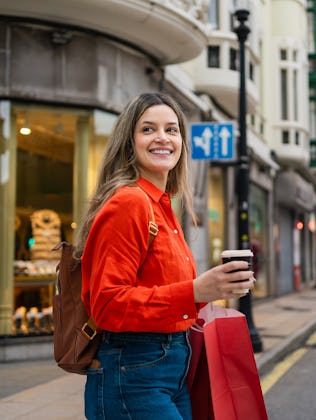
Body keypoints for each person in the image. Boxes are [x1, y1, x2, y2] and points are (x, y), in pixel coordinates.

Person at [75, 92, 255, 419]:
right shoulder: (129, 202)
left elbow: (163, 294)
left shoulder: (162, 206)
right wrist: (195, 291)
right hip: (133, 374)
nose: (162, 137)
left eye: (172, 130)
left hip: (169, 370)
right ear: (129, 143)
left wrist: (213, 290)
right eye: (148, 129)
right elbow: (107, 304)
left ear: (182, 143)